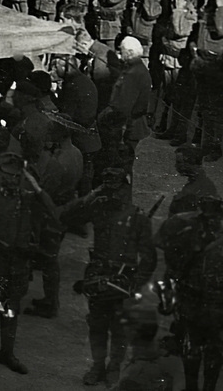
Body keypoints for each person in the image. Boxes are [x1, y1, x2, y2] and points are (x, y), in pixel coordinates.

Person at [63, 164, 159, 385]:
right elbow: (68, 215)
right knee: (97, 326)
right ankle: (97, 366)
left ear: (127, 189)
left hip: (124, 282)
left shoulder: (138, 218)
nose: (114, 194)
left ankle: (114, 366)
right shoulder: (98, 208)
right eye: (109, 189)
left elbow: (149, 257)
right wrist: (93, 194)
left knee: (119, 329)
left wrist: (138, 285)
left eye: (118, 189)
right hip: (98, 277)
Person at [0, 141, 57, 374]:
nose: (10, 179)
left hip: (19, 263)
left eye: (15, 175)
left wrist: (35, 186)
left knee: (12, 309)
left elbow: (53, 212)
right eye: (6, 174)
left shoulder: (28, 197)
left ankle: (7, 352)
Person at [156, 195, 223, 391]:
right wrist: (168, 299)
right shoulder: (188, 238)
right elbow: (172, 271)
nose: (210, 221)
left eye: (213, 217)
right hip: (193, 306)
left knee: (210, 354)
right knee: (191, 353)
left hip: (215, 308)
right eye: (207, 218)